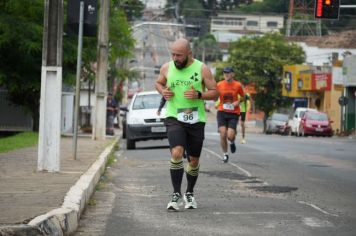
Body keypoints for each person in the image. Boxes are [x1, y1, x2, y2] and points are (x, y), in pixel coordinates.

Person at [155, 38, 218, 211]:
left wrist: (199, 95)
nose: (175, 58)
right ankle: (176, 194)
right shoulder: (167, 67)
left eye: (179, 55)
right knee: (177, 152)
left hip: (196, 120)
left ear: (189, 54)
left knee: (194, 160)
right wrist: (163, 91)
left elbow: (215, 93)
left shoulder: (202, 68)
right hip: (174, 117)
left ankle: (189, 193)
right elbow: (159, 82)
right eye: (173, 54)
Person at [215, 67, 244, 163]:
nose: (226, 75)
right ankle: (225, 154)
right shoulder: (219, 84)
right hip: (222, 111)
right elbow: (214, 95)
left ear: (233, 74)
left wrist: (237, 102)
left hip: (233, 113)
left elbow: (243, 97)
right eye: (224, 73)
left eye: (228, 73)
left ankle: (232, 142)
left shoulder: (238, 85)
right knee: (223, 133)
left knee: (230, 135)